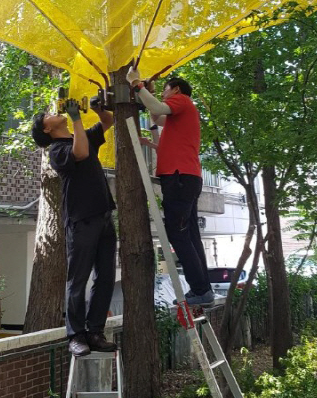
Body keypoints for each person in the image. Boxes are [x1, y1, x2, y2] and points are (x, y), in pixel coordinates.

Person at [31, 97, 117, 357]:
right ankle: (75, 336)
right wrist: (77, 119)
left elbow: (108, 121)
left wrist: (98, 110)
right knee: (78, 280)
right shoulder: (56, 150)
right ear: (47, 129)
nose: (54, 113)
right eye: (48, 115)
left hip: (103, 215)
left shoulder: (81, 136)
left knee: (105, 278)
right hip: (81, 220)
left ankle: (95, 332)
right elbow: (80, 153)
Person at [126, 66, 214, 306]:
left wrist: (137, 85)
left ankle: (199, 289)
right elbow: (157, 116)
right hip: (186, 177)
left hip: (179, 178)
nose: (164, 94)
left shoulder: (182, 101)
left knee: (178, 232)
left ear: (175, 89)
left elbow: (157, 108)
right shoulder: (181, 114)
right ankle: (202, 288)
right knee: (191, 235)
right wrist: (149, 91)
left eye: (165, 90)